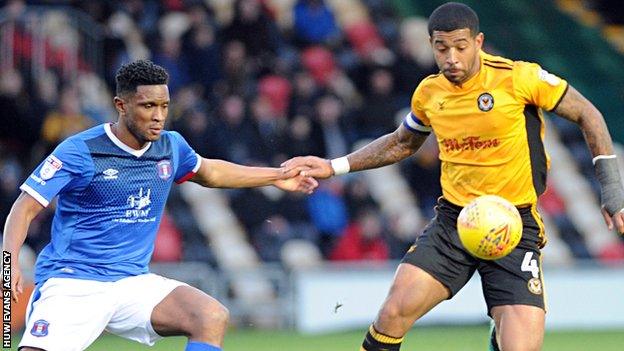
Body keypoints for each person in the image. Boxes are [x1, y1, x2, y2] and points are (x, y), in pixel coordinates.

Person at [282, 3, 624, 351]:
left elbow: (587, 113)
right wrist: (335, 166)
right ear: (431, 45)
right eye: (441, 48)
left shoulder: (518, 78)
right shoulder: (430, 93)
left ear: (478, 42)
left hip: (514, 226)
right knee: (393, 313)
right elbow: (403, 142)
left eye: (460, 46)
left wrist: (611, 188)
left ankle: (498, 336)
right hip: (454, 223)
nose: (451, 58)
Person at [3, 59, 317, 351]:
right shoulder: (80, 150)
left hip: (132, 282)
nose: (158, 116)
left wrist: (275, 176)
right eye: (148, 106)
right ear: (121, 106)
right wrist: (9, 266)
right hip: (75, 281)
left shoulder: (170, 146)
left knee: (209, 315)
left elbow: (211, 172)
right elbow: (24, 207)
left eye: (164, 106)